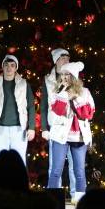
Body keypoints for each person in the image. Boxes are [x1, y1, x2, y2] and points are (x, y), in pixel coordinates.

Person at [46, 61, 95, 204]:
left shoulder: (85, 92)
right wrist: (64, 94)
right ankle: (52, 202)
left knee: (79, 172)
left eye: (68, 74)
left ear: (74, 77)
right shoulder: (57, 91)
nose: (65, 77)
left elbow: (88, 114)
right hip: (60, 135)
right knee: (56, 170)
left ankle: (80, 202)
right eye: (63, 74)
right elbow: (56, 112)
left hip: (79, 136)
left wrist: (76, 97)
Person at [0, 53, 36, 166]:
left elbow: (31, 106)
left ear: (16, 68)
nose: (9, 68)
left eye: (12, 65)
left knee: (20, 163)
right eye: (6, 65)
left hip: (19, 130)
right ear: (2, 67)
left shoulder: (24, 84)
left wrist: (31, 128)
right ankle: (0, 184)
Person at [41, 47, 79, 190]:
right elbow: (44, 105)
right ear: (56, 61)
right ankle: (54, 195)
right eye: (63, 58)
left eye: (68, 59)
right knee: (55, 165)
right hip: (56, 126)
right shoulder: (48, 80)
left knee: (75, 165)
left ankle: (76, 195)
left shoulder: (74, 77)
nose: (66, 61)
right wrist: (44, 127)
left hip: (73, 125)